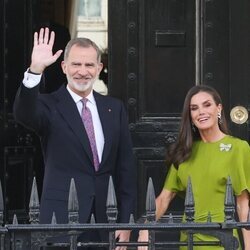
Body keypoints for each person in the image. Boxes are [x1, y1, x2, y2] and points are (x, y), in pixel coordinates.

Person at [13, 27, 136, 249]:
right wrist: (35, 69)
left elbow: (125, 169)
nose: (82, 71)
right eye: (76, 64)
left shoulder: (114, 108)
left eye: (89, 65)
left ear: (99, 68)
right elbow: (24, 114)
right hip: (60, 220)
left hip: (105, 220)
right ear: (64, 67)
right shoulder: (49, 105)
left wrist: (126, 223)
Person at [138, 85, 250, 249]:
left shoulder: (238, 148)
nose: (201, 112)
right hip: (189, 240)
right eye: (194, 108)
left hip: (222, 240)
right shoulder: (184, 152)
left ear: (218, 108)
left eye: (207, 105)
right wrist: (144, 229)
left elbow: (243, 204)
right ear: (190, 116)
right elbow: (164, 198)